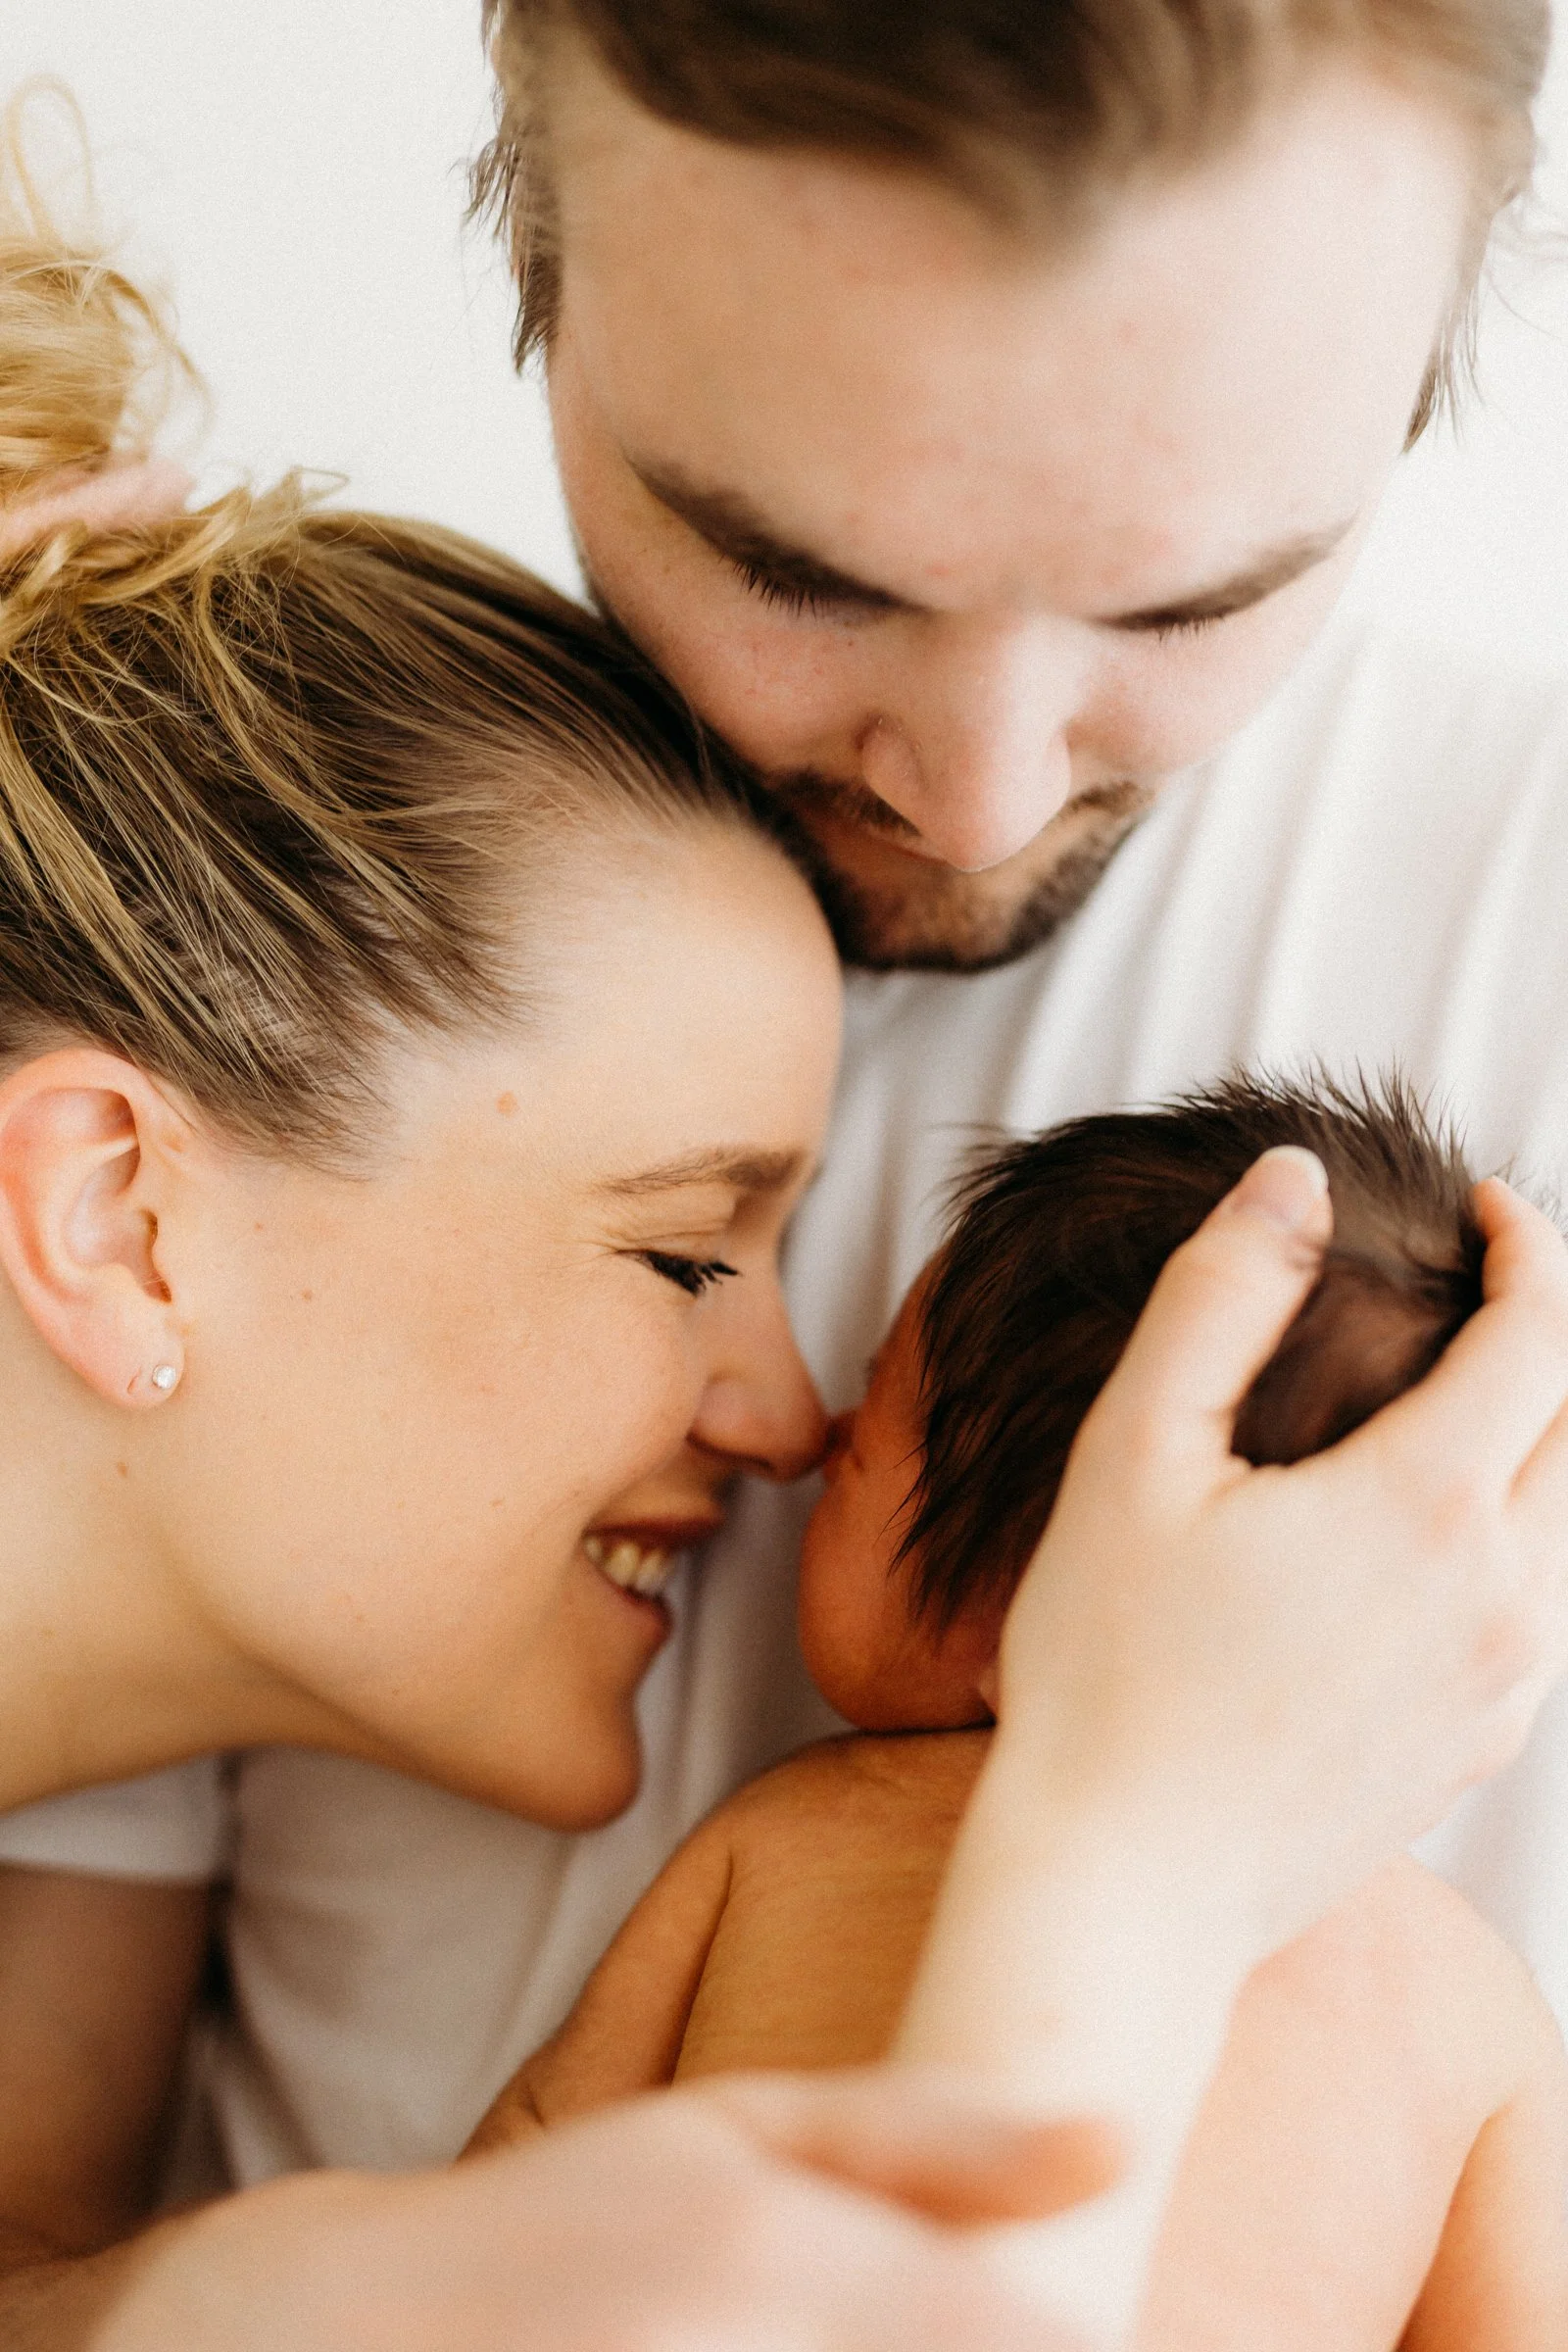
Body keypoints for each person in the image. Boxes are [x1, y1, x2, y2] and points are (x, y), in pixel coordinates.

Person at [9, 3, 1568, 2342]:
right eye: (798, 572)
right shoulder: (382, 968)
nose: (976, 789)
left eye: (1186, 605)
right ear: (526, 271)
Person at [466, 1075, 1568, 2346]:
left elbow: (534, 2163)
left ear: (1027, 1582)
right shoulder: (1459, 1992)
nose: (823, 1437)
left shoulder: (804, 1833)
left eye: (878, 1416)